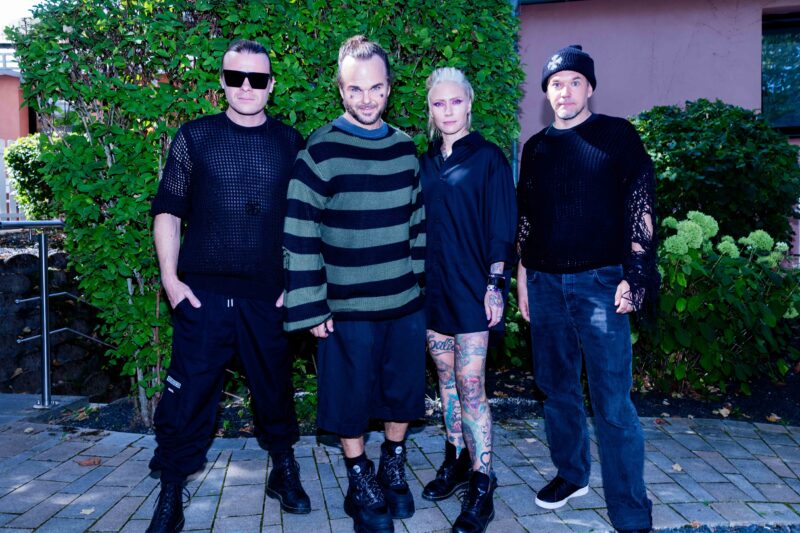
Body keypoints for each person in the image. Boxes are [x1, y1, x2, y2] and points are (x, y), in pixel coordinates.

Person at [147, 39, 310, 533]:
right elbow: (168, 210)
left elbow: (306, 219)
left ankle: (283, 469)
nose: (246, 87)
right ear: (222, 81)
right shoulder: (195, 137)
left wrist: (296, 283)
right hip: (203, 296)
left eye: (257, 79)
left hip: (268, 295)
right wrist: (171, 280)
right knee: (188, 397)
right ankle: (171, 489)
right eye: (236, 77)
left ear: (271, 85)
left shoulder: (290, 142)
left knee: (275, 389)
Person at [282, 35, 425, 533]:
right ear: (341, 91)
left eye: (376, 88)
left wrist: (419, 290)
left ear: (389, 88)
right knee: (348, 399)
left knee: (403, 393)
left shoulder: (405, 148)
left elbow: (417, 225)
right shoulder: (319, 149)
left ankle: (392, 465)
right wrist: (311, 306)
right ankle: (359, 478)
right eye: (356, 89)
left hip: (404, 303)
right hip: (344, 308)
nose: (367, 99)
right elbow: (298, 230)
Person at [516, 45, 658, 533]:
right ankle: (572, 474)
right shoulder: (535, 148)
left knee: (612, 403)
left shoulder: (617, 135)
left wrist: (636, 274)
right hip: (544, 283)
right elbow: (526, 218)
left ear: (590, 88)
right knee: (556, 390)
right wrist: (523, 277)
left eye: (575, 82)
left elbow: (641, 202)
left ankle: (630, 510)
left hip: (602, 283)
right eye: (556, 83)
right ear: (546, 93)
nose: (565, 91)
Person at [417, 67, 516, 533]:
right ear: (430, 109)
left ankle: (482, 479)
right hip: (433, 290)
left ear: (470, 103)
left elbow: (502, 225)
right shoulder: (424, 162)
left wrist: (496, 284)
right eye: (439, 103)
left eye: (456, 101)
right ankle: (456, 459)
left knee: (470, 382)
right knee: (446, 381)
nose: (448, 111)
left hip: (474, 289)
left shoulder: (489, 158)